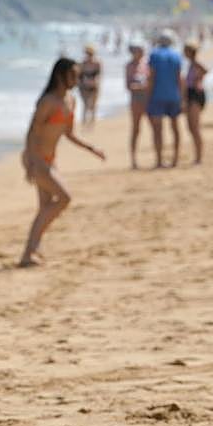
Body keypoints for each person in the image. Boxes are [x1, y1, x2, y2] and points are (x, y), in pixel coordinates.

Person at [18, 58, 106, 267]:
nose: (78, 79)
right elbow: (32, 131)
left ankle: (32, 251)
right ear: (61, 76)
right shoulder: (48, 101)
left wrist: (91, 149)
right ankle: (29, 251)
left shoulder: (70, 100)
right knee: (65, 198)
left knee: (46, 207)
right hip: (37, 159)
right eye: (74, 75)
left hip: (50, 159)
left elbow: (69, 133)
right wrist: (31, 162)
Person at [146, 31, 184, 168]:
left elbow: (151, 77)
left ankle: (159, 160)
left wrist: (147, 97)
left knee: (158, 129)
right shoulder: (176, 55)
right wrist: (182, 97)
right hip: (174, 96)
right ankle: (175, 159)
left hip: (157, 96)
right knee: (175, 128)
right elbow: (180, 78)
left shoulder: (154, 55)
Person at [125, 42, 149, 169]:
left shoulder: (147, 64)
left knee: (154, 126)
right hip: (136, 101)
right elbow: (128, 86)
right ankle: (133, 159)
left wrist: (140, 86)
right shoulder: (129, 66)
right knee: (136, 129)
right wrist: (142, 87)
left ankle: (158, 157)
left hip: (148, 100)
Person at [183, 42, 207, 165]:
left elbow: (205, 70)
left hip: (195, 95)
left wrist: (199, 80)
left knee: (195, 127)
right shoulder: (191, 65)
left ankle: (199, 157)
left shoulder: (195, 63)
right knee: (191, 127)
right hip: (191, 94)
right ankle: (197, 155)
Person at [78, 45, 102, 126]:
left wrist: (95, 82)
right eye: (87, 54)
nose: (89, 55)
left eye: (90, 54)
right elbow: (79, 77)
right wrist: (81, 85)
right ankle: (84, 121)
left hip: (94, 86)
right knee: (85, 104)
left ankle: (92, 122)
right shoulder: (82, 63)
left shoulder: (97, 63)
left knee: (93, 105)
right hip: (84, 87)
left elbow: (99, 75)